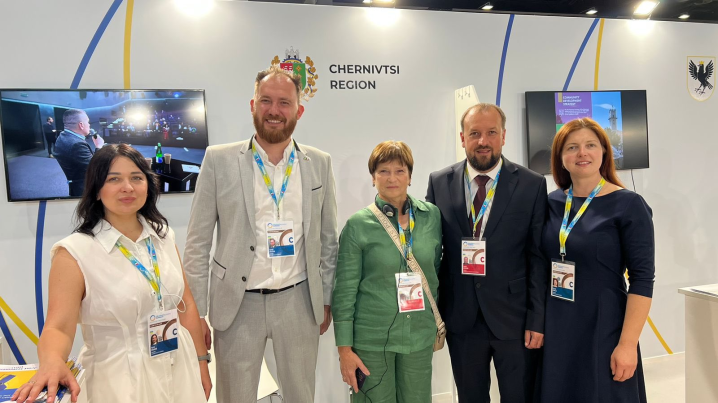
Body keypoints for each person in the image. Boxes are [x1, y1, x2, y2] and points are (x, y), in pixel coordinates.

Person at [183, 65, 338, 403]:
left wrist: (325, 297)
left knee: (301, 395)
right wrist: (196, 312)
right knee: (234, 397)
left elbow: (328, 239)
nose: (274, 110)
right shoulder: (218, 160)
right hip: (237, 303)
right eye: (266, 101)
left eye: (284, 103)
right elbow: (197, 242)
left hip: (298, 300)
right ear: (253, 105)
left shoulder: (319, 162)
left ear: (298, 111)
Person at [11, 144, 211, 403]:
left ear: (148, 186)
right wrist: (51, 361)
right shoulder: (74, 252)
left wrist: (201, 361)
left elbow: (185, 304)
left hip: (179, 366)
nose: (127, 187)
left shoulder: (163, 236)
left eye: (136, 178)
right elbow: (58, 327)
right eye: (114, 179)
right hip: (120, 380)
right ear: (96, 190)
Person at [426, 103, 548, 402]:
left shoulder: (531, 184)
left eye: (491, 132)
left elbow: (537, 257)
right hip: (461, 317)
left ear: (503, 136)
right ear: (462, 137)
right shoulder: (439, 182)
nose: (483, 141)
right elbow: (432, 251)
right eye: (475, 133)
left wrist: (537, 319)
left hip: (515, 317)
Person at [539, 118, 654, 402]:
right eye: (572, 147)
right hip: (557, 323)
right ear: (560, 157)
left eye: (590, 145)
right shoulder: (550, 203)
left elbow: (642, 279)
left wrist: (627, 345)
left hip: (604, 326)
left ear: (603, 151)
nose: (582, 153)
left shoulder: (629, 205)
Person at [333, 141, 442, 402]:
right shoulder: (358, 225)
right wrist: (344, 350)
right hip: (372, 340)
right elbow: (344, 291)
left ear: (410, 176)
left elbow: (435, 272)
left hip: (419, 336)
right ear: (373, 177)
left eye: (400, 170)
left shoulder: (431, 216)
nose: (392, 178)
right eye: (383, 171)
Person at [53, 109, 104, 197]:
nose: (89, 125)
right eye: (88, 122)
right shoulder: (77, 144)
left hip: (74, 184)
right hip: (85, 189)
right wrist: (98, 146)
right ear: (81, 125)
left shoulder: (62, 136)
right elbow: (95, 168)